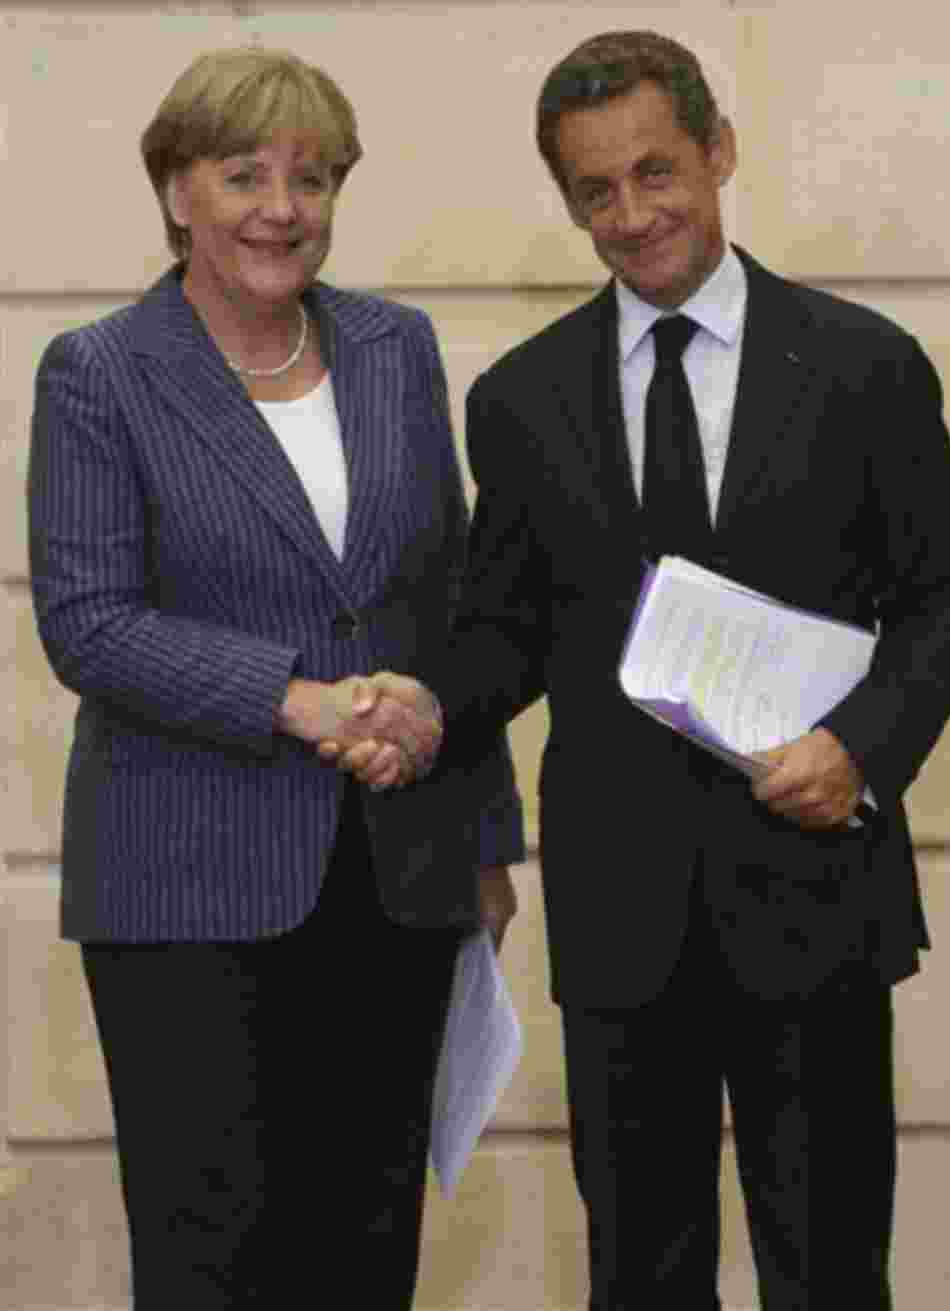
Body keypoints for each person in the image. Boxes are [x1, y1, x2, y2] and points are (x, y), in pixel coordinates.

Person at [337, 28, 950, 1311]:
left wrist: (861, 744)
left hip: (817, 895)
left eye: (656, 172)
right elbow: (507, 633)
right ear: (568, 201)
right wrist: (425, 706)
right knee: (639, 1274)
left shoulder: (863, 366)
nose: (632, 215)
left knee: (829, 1268)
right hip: (622, 915)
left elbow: (947, 600)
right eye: (596, 191)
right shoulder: (522, 401)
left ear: (719, 154)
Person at [27, 47, 523, 1310]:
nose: (280, 208)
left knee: (365, 1252)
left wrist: (484, 836)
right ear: (176, 192)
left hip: (397, 876)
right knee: (214, 1261)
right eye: (242, 173)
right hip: (188, 889)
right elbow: (89, 622)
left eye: (312, 179)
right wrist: (298, 701)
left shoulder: (395, 348)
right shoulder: (100, 372)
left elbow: (450, 603)